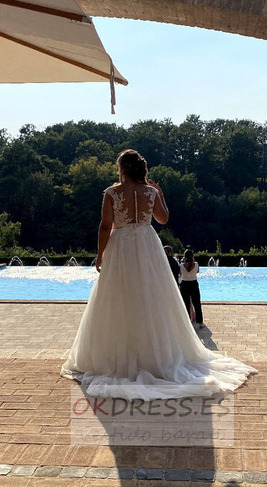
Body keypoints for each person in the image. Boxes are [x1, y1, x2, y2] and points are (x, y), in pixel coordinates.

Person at [61, 149, 256, 400]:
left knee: (117, 299)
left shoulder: (112, 193)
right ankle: (154, 355)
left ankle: (119, 356)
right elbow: (163, 219)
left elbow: (105, 226)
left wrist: (100, 254)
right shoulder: (150, 192)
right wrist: (159, 193)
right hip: (147, 245)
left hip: (121, 247)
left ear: (122, 168)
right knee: (152, 298)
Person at [180, 249, 205, 328]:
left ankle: (187, 323)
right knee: (197, 303)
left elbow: (180, 274)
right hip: (193, 283)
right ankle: (200, 322)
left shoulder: (181, 265)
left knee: (186, 303)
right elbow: (197, 272)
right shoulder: (196, 264)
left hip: (184, 284)